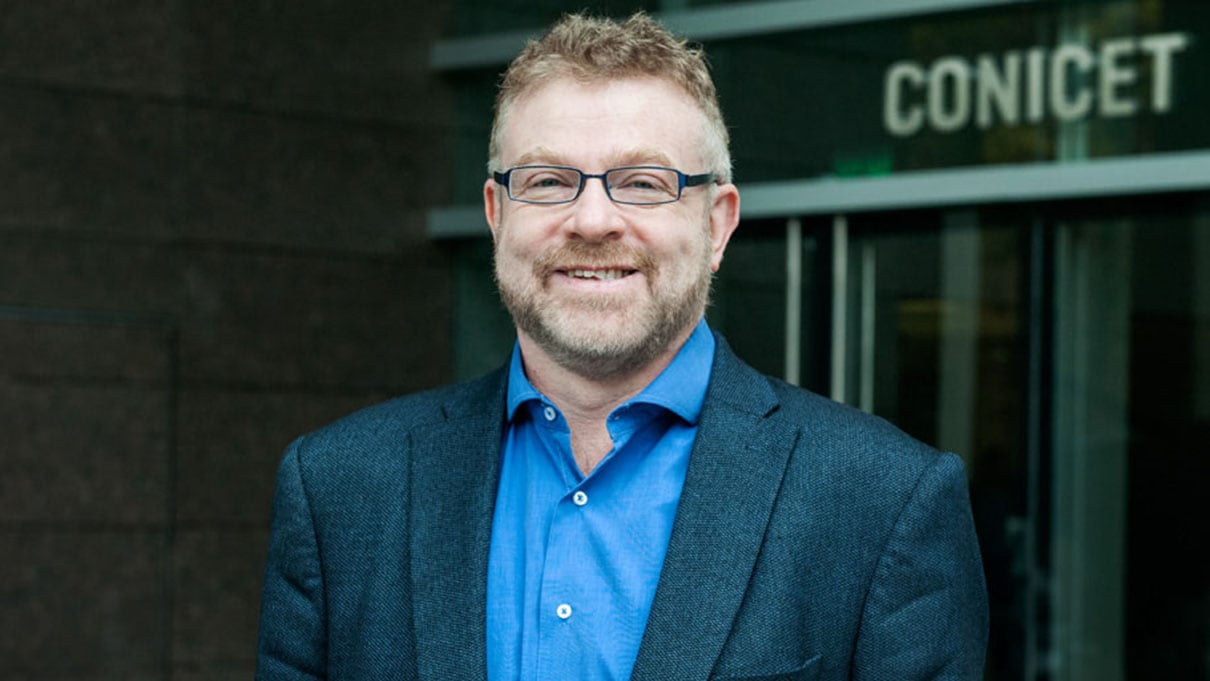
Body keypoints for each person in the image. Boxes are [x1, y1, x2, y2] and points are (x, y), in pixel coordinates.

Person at [256, 12, 988, 681]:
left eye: (643, 182)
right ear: (495, 213)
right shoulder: (341, 490)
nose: (594, 219)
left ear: (717, 223)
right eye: (547, 181)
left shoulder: (883, 503)